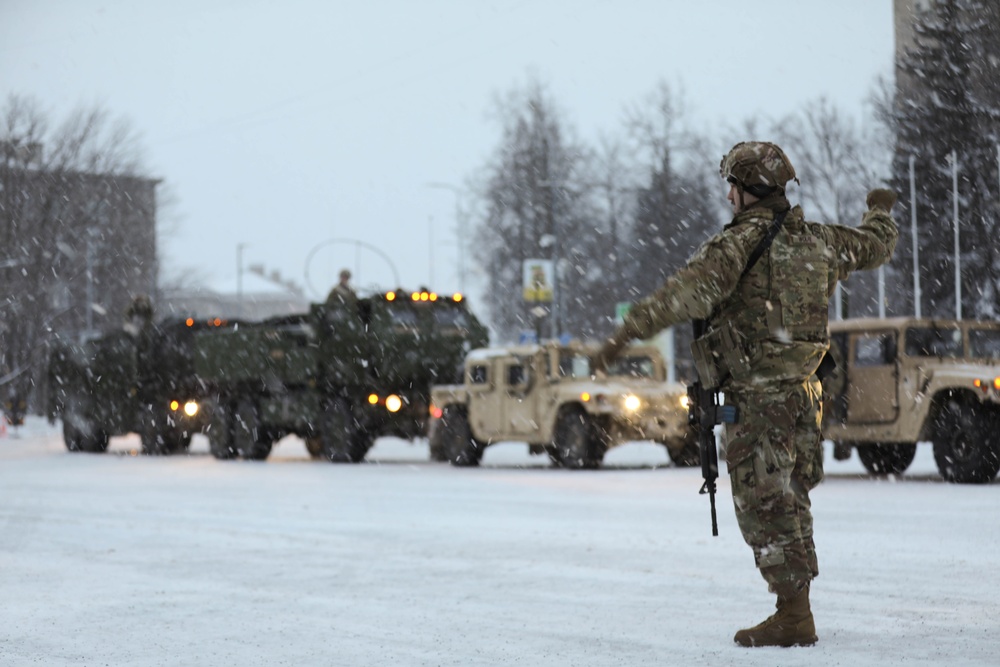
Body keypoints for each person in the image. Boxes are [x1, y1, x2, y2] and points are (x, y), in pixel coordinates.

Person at [594, 141, 898, 648]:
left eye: (731, 186)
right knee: (791, 496)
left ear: (745, 190)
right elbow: (875, 245)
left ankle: (793, 615)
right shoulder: (819, 241)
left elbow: (682, 294)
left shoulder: (736, 245)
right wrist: (880, 210)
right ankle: (796, 606)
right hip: (805, 393)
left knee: (764, 502)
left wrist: (625, 333)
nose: (728, 195)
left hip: (758, 399)